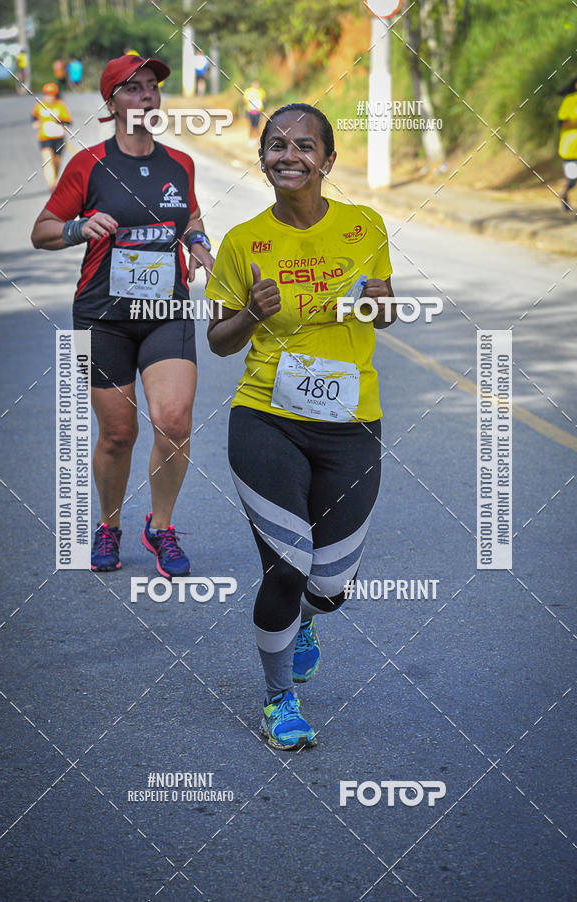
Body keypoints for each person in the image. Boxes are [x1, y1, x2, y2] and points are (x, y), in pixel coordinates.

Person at [205, 103, 397, 750]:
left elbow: (386, 312)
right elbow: (220, 343)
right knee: (287, 566)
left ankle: (304, 620)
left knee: (330, 587)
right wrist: (253, 315)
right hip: (265, 417)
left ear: (328, 161)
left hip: (350, 425)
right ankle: (277, 698)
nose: (289, 155)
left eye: (304, 145)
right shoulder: (242, 243)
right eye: (276, 145)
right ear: (262, 159)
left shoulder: (364, 227)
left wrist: (379, 301)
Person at [31, 54, 214, 576]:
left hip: (166, 311)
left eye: (152, 87)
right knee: (117, 433)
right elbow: (41, 230)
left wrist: (198, 241)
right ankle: (108, 525)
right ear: (111, 102)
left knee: (174, 421)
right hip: (101, 316)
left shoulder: (180, 164)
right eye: (133, 88)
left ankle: (161, 527)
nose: (146, 96)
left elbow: (190, 216)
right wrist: (76, 229)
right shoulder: (87, 164)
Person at [31, 83, 73, 191]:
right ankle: (52, 184)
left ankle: (54, 180)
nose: (49, 97)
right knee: (47, 159)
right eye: (47, 94)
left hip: (58, 138)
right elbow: (34, 117)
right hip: (44, 137)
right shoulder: (40, 105)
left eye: (51, 94)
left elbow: (69, 121)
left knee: (57, 161)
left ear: (55, 95)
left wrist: (58, 121)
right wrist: (35, 123)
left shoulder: (60, 106)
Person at [557, 71, 577, 223]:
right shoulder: (570, 101)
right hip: (570, 150)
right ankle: (564, 191)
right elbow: (561, 123)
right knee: (573, 180)